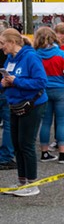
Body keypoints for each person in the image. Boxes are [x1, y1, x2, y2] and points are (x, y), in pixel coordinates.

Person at [0, 28, 48, 197]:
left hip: (32, 104)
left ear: (12, 42)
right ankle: (22, 181)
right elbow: (6, 81)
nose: (1, 47)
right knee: (17, 143)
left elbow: (41, 81)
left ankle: (33, 183)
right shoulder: (9, 59)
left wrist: (17, 81)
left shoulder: (31, 57)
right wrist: (4, 84)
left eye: (2, 43)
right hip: (14, 104)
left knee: (26, 144)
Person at [33, 27, 64, 164]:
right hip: (61, 90)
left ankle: (44, 152)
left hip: (44, 90)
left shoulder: (35, 55)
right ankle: (63, 152)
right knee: (62, 122)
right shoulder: (61, 54)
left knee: (45, 122)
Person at [0, 24, 15, 171]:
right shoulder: (7, 53)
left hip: (3, 87)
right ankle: (5, 156)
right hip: (4, 89)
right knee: (8, 124)